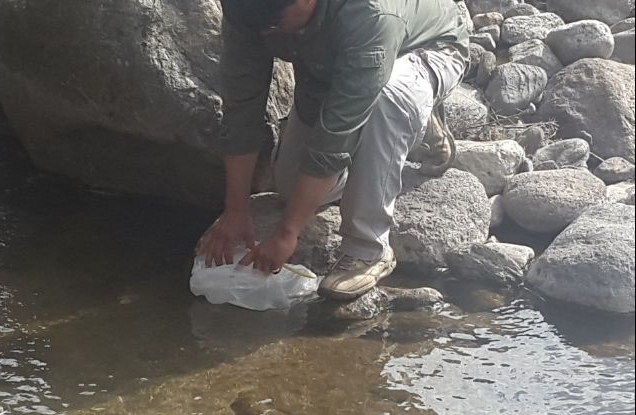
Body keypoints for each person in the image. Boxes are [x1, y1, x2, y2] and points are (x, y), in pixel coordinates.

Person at [197, 0, 470, 301]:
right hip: (331, 65)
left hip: (427, 46)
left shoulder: (369, 12)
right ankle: (394, 131)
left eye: (274, 26)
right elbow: (241, 109)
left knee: (384, 100)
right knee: (291, 188)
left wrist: (288, 233)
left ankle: (368, 250)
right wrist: (235, 210)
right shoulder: (250, 10)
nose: (267, 33)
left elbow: (334, 140)